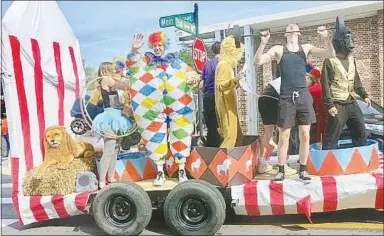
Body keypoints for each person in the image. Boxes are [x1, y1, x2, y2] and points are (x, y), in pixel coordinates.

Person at [254, 24, 335, 183]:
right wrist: (263, 43)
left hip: (303, 96)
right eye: (289, 27)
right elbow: (258, 62)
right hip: (286, 97)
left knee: (305, 134)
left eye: (295, 26)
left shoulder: (305, 48)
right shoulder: (278, 49)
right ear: (286, 34)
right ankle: (281, 170)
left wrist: (326, 37)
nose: (291, 27)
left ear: (298, 32)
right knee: (284, 136)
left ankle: (303, 169)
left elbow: (330, 54)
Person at [125, 32, 200, 186]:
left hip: (179, 106)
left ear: (164, 46)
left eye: (160, 45)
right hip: (153, 109)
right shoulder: (146, 63)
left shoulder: (177, 62)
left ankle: (181, 170)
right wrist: (134, 50)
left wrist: (193, 78)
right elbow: (132, 66)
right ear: (151, 47)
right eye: (154, 46)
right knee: (153, 136)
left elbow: (192, 74)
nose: (157, 48)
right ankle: (160, 172)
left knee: (181, 134)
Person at [321, 25, 370, 150]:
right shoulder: (330, 60)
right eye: (348, 39)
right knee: (332, 134)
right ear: (340, 41)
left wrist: (364, 95)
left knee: (360, 129)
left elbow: (356, 80)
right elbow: (325, 84)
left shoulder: (351, 59)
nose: (351, 42)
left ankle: (361, 158)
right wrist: (329, 105)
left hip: (351, 101)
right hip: (337, 103)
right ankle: (326, 161)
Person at [91, 62, 131, 189]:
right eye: (113, 68)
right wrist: (126, 75)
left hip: (117, 115)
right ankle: (102, 180)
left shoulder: (110, 82)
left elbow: (117, 99)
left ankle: (111, 176)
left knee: (115, 149)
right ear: (107, 69)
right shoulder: (106, 79)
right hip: (110, 117)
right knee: (109, 149)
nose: (115, 69)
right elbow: (125, 86)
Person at [257, 77, 297, 176]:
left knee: (268, 133)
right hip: (275, 99)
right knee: (284, 133)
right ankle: (282, 166)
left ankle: (262, 164)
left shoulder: (283, 74)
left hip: (263, 98)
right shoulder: (297, 77)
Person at [215, 35, 244, 148]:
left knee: (238, 136)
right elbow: (220, 86)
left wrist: (236, 82)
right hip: (226, 106)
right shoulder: (223, 65)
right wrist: (234, 80)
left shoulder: (226, 65)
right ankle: (221, 162)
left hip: (230, 105)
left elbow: (226, 85)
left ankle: (235, 162)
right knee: (230, 137)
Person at [201, 42, 222, 147]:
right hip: (219, 96)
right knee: (220, 124)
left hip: (207, 96)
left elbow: (201, 84)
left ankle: (210, 147)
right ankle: (219, 148)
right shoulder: (223, 63)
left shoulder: (207, 64)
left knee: (210, 125)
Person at [305, 63, 326, 143]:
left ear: (312, 79)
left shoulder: (312, 89)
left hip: (320, 116)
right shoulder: (320, 86)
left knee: (319, 137)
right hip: (322, 116)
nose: (306, 80)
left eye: (307, 78)